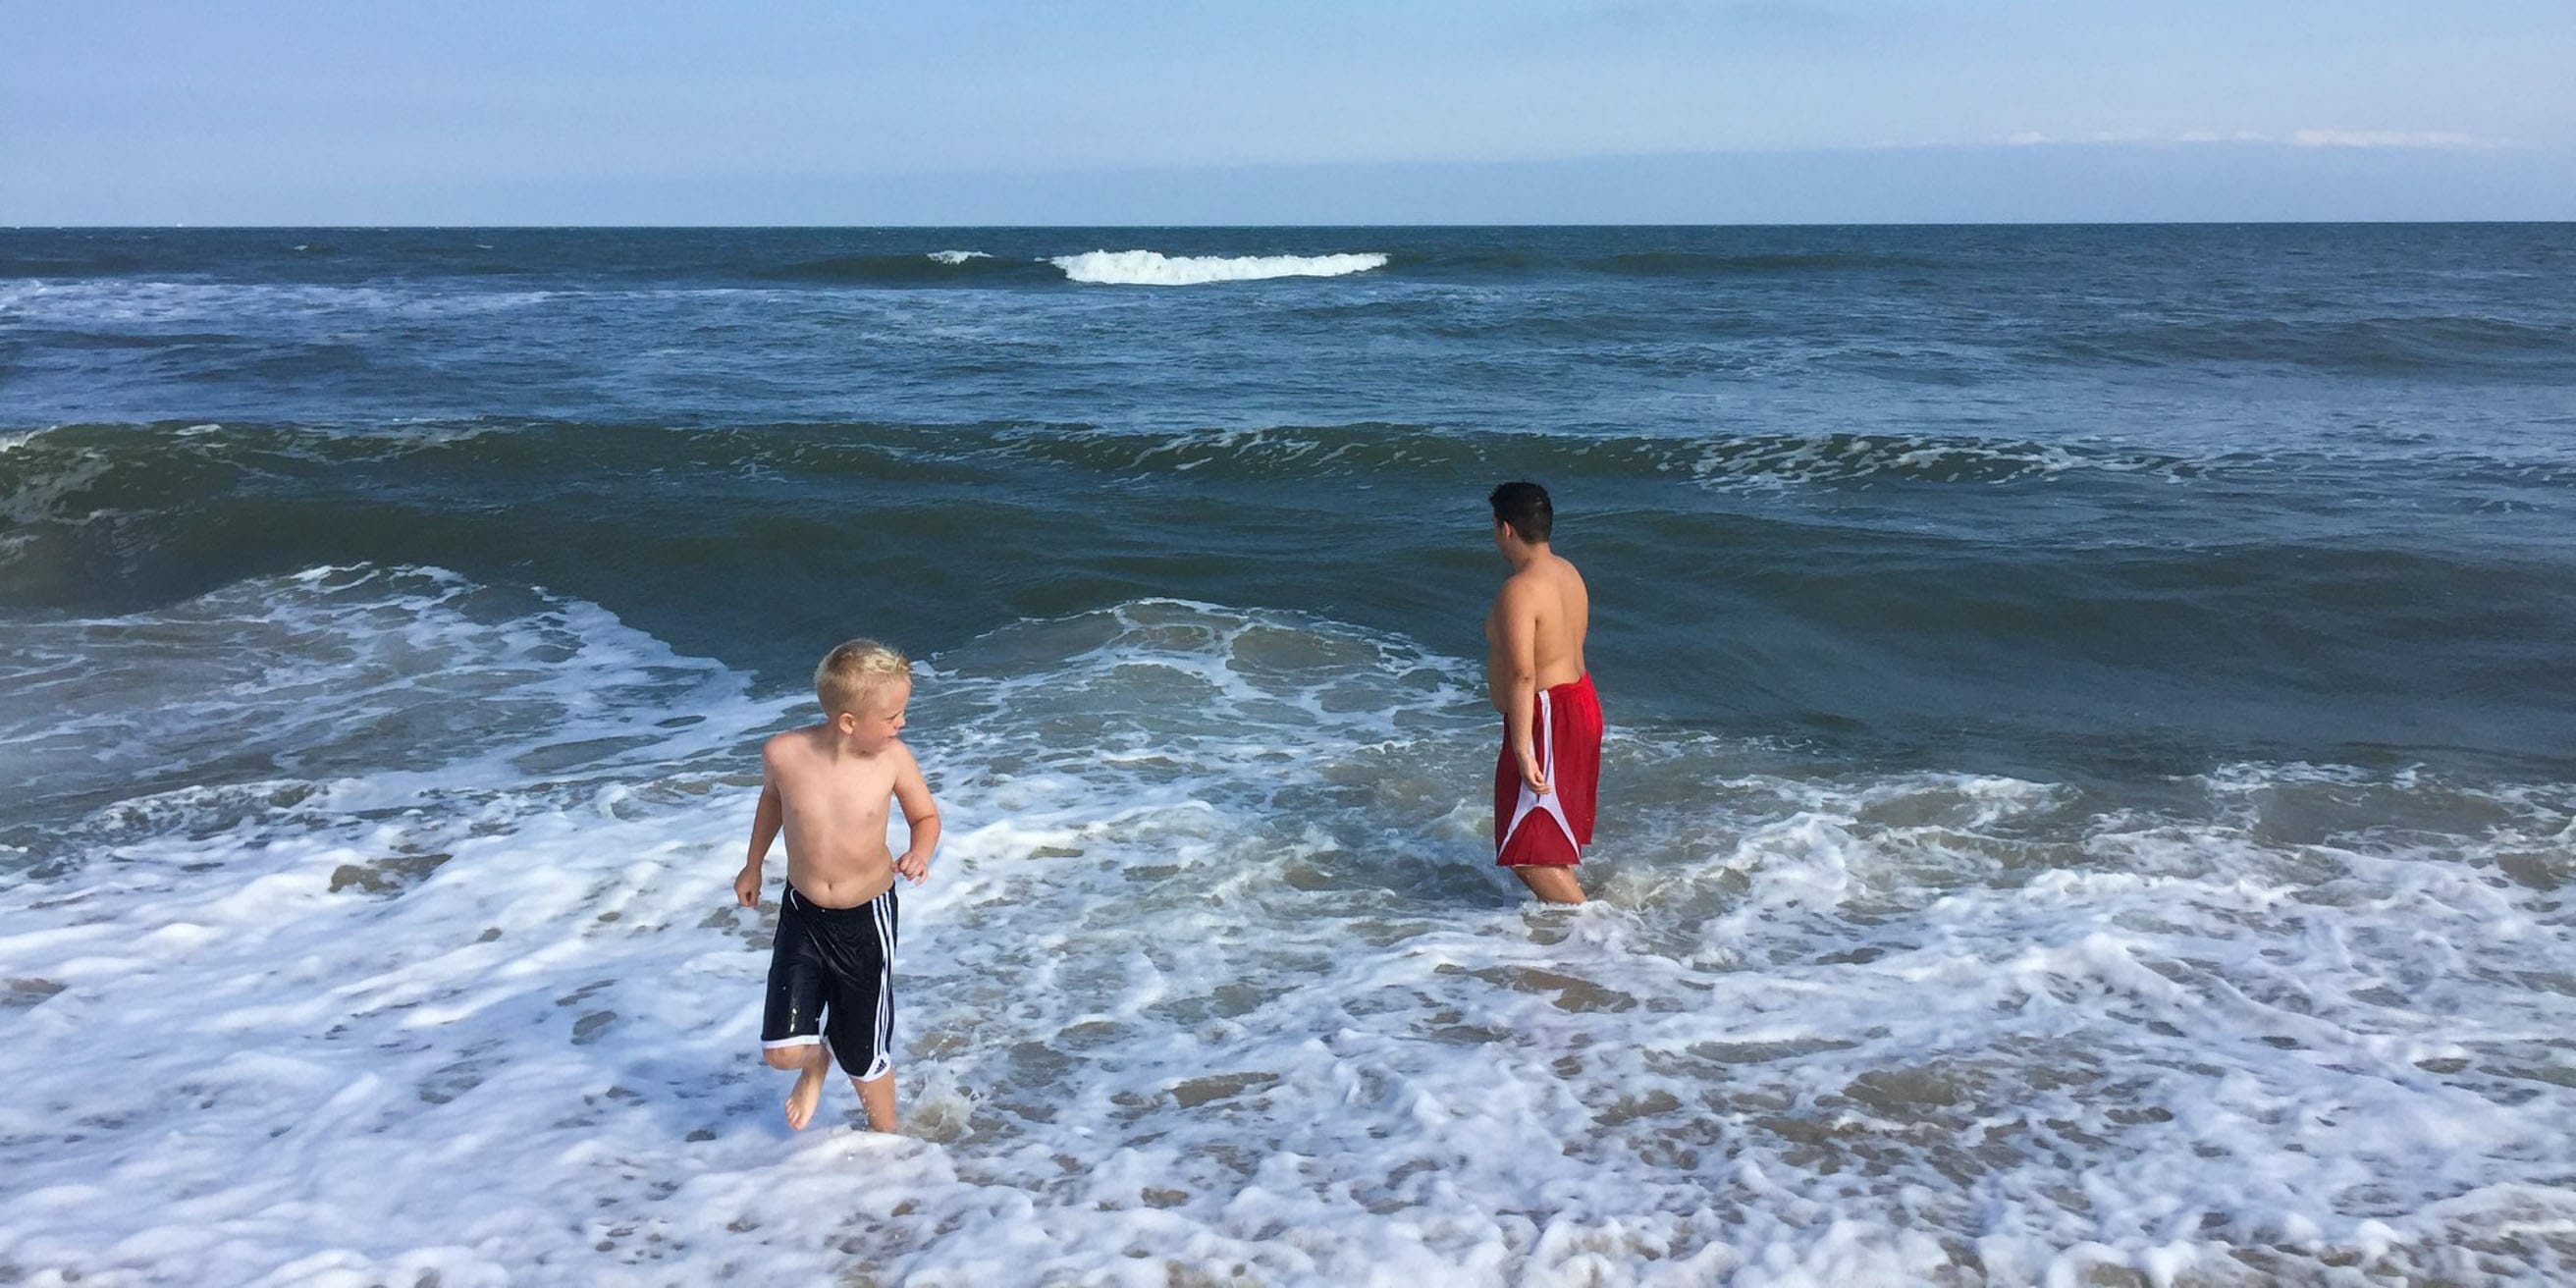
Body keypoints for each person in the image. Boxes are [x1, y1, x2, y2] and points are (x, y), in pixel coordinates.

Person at [734, 639, 940, 1132]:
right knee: (782, 1053)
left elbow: (925, 815)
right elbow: (771, 803)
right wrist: (753, 865)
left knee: (863, 1053)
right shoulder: (784, 753)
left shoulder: (893, 760)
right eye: (893, 716)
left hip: (865, 919)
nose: (902, 724)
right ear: (848, 721)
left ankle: (886, 1139)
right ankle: (813, 1063)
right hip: (802, 913)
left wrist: (919, 852)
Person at [1484, 481, 1601, 904]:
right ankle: (1578, 938)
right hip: (1578, 702)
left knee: (1527, 853)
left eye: (1494, 525)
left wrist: (1521, 747)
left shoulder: (1520, 589)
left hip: (1546, 717)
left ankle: (1598, 937)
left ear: (1507, 529)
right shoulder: (1568, 572)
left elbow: (1521, 674)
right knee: (1546, 836)